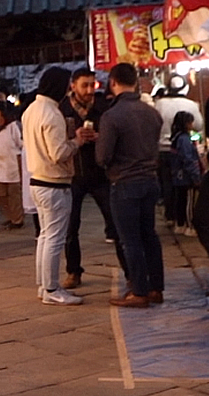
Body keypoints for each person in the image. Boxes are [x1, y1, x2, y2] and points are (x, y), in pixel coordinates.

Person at [23, 67, 93, 306]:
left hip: (37, 180)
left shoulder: (31, 109)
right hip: (53, 182)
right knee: (54, 238)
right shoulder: (51, 113)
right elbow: (58, 153)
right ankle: (52, 288)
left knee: (45, 237)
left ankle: (44, 286)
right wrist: (77, 141)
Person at [97, 63, 165, 308]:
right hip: (150, 180)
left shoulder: (112, 116)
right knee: (149, 235)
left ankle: (139, 290)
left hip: (125, 182)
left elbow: (102, 157)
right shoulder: (151, 112)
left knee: (130, 240)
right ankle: (156, 288)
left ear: (113, 82)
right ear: (135, 82)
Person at [58, 68, 128, 289]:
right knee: (70, 227)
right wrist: (74, 139)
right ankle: (73, 271)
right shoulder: (62, 110)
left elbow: (115, 137)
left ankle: (130, 272)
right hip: (73, 174)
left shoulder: (103, 108)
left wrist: (100, 138)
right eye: (84, 85)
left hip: (100, 174)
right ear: (73, 86)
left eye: (92, 85)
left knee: (116, 223)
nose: (89, 90)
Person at [154, 74, 203, 225]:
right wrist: (194, 139)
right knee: (184, 186)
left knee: (168, 183)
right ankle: (182, 218)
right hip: (184, 149)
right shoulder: (191, 105)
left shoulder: (160, 104)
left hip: (163, 149)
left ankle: (171, 215)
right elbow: (199, 128)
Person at [0, 100, 23, 229]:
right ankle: (10, 216)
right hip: (1, 168)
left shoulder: (13, 126)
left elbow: (21, 145)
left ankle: (17, 220)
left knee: (15, 196)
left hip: (13, 167)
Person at [170, 111, 202, 237]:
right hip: (186, 176)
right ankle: (190, 225)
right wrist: (195, 176)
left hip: (178, 175)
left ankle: (180, 223)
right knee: (189, 201)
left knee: (180, 200)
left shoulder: (176, 137)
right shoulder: (184, 139)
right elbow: (188, 159)